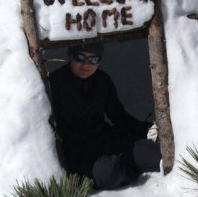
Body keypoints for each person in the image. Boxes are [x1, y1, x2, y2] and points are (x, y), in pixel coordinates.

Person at [48, 43, 162, 189]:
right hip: (76, 151)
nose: (86, 65)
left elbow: (117, 115)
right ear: (70, 55)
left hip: (103, 139)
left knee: (148, 152)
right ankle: (123, 167)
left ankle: (126, 163)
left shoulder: (101, 80)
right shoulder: (55, 83)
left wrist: (146, 129)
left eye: (93, 59)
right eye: (80, 57)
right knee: (107, 174)